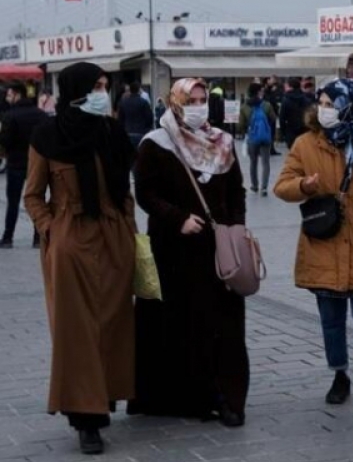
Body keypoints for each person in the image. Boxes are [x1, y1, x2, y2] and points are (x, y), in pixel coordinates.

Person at [22, 62, 137, 455]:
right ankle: (85, 419)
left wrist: (128, 227)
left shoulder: (111, 132)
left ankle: (103, 399)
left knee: (111, 325)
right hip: (71, 243)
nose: (104, 93)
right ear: (76, 91)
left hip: (114, 240)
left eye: (106, 85)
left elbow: (124, 187)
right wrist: (53, 230)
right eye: (97, 86)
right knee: (77, 333)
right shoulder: (47, 136)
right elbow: (33, 194)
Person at [274, 79, 353, 416]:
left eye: (331, 103)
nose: (324, 109)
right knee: (331, 319)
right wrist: (304, 184)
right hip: (324, 243)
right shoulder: (305, 143)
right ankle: (340, 374)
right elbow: (282, 186)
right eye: (322, 103)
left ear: (349, 104)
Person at [129, 78, 249, 427]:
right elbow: (146, 194)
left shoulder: (222, 142)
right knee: (179, 322)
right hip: (174, 250)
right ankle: (182, 397)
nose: (198, 106)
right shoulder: (157, 144)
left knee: (223, 325)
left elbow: (237, 191)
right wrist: (178, 218)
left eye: (202, 99)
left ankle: (227, 397)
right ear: (175, 102)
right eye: (191, 100)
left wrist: (237, 228)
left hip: (218, 250)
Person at [0, 82, 47, 247]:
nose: (7, 97)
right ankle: (38, 238)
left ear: (16, 94)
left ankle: (7, 238)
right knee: (37, 199)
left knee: (13, 202)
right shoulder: (41, 115)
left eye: (9, 94)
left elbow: (5, 141)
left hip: (15, 163)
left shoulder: (10, 116)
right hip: (37, 163)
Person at [239, 82, 277, 195]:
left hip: (252, 137)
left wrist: (247, 130)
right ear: (258, 92)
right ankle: (264, 187)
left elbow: (240, 125)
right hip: (265, 137)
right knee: (266, 162)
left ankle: (254, 185)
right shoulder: (266, 105)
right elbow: (273, 118)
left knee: (253, 162)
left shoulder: (245, 106)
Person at [117, 83, 154, 150]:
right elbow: (149, 118)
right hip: (141, 132)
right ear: (138, 90)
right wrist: (148, 129)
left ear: (130, 90)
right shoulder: (144, 102)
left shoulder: (123, 103)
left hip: (127, 132)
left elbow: (120, 119)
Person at [280, 78, 310, 149]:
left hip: (291, 133)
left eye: (286, 86)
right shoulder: (306, 99)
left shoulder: (286, 100)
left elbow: (282, 119)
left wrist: (284, 133)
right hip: (305, 132)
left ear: (291, 87)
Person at [264, 76, 283, 155]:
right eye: (271, 79)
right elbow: (269, 101)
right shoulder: (266, 90)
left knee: (272, 133)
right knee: (269, 132)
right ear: (267, 81)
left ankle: (271, 149)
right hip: (268, 115)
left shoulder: (273, 89)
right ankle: (268, 149)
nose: (273, 80)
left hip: (272, 114)